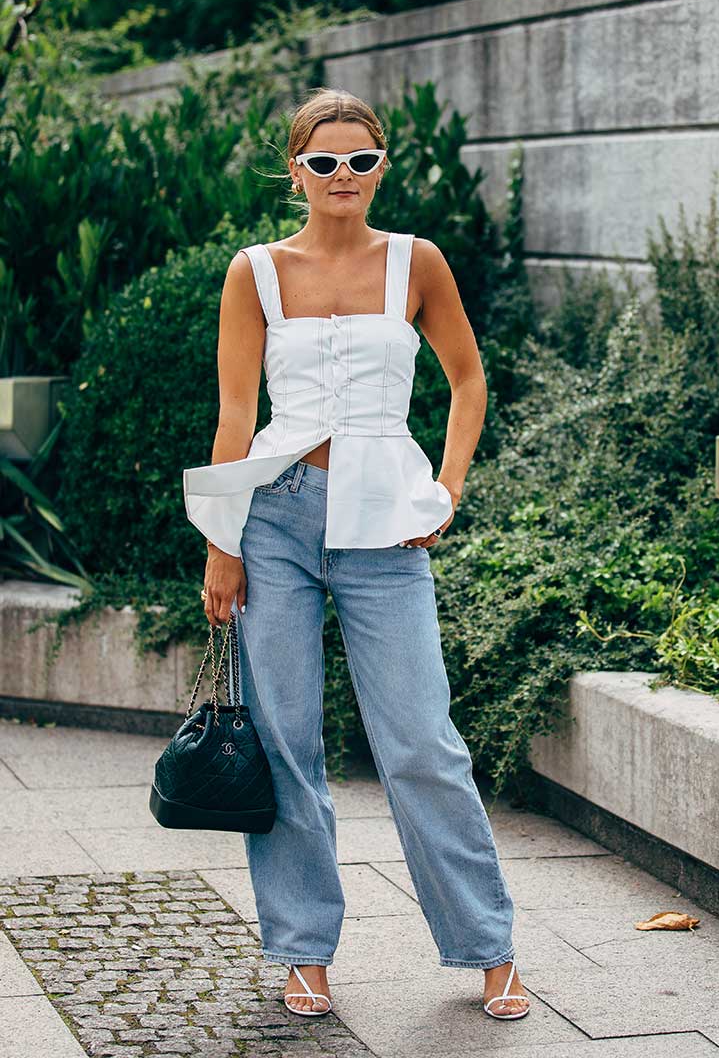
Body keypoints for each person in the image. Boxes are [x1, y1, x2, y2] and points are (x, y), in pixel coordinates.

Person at [190, 87, 531, 1021]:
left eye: (361, 161)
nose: (344, 178)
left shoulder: (416, 264)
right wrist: (223, 545)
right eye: (324, 163)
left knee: (422, 739)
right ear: (295, 170)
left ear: (383, 166)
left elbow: (468, 379)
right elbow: (234, 416)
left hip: (388, 523)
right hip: (277, 515)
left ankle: (487, 943)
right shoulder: (253, 270)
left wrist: (448, 488)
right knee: (287, 741)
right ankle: (304, 952)